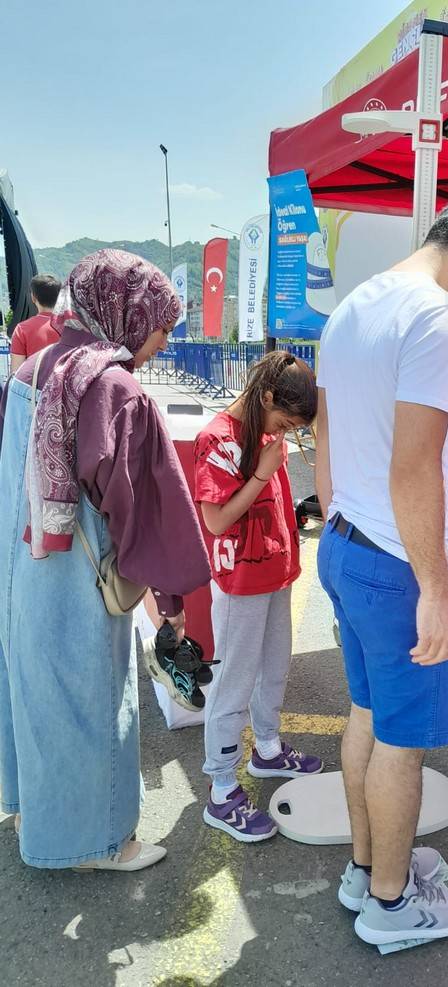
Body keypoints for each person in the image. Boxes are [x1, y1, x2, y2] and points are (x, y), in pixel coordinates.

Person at [316, 191, 448, 945]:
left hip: (346, 542)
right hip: (399, 561)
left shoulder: (352, 307)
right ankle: (391, 904)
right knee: (400, 742)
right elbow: (416, 467)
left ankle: (365, 869)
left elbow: (326, 432)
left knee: (367, 717)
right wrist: (435, 588)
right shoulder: (437, 318)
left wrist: (337, 525)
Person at [0, 249, 211, 871]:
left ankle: (34, 813)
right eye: (160, 326)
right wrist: (170, 601)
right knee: (92, 703)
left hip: (21, 568)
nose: (163, 343)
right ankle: (100, 844)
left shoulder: (31, 370)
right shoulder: (114, 388)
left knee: (34, 695)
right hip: (79, 580)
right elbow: (144, 508)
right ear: (126, 313)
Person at [194, 351, 323, 843]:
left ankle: (267, 748)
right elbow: (216, 521)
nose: (286, 432)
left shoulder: (265, 432)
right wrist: (263, 474)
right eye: (284, 422)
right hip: (241, 582)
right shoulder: (218, 438)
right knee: (234, 680)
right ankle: (222, 789)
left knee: (274, 666)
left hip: (275, 573)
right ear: (266, 397)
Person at [10, 274, 62, 374]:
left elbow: (16, 372)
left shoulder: (22, 329)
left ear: (33, 297)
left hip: (34, 383)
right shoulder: (73, 327)